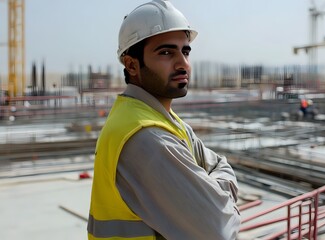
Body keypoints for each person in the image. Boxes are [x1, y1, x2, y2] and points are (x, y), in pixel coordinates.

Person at [87, 1, 241, 239]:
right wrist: (219, 197)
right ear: (132, 64)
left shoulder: (162, 120)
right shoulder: (148, 138)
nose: (183, 64)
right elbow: (219, 230)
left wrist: (215, 195)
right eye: (166, 52)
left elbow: (220, 164)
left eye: (185, 51)